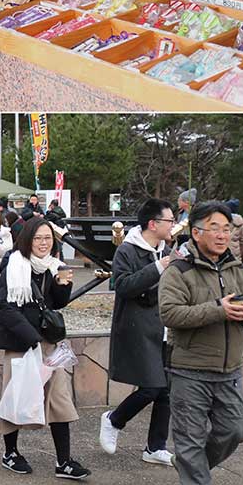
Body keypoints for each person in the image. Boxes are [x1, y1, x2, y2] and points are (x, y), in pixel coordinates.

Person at [160, 201, 243, 485]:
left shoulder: (235, 268)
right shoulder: (179, 269)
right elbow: (169, 313)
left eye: (226, 228)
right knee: (189, 436)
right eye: (214, 228)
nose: (222, 235)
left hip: (229, 370)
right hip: (189, 369)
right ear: (196, 232)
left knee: (233, 432)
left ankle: (192, 466)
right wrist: (218, 309)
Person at [0, 219, 88, 480]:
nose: (43, 243)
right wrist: (32, 338)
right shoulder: (13, 265)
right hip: (21, 344)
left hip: (47, 345)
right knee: (16, 397)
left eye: (48, 238)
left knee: (59, 399)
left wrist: (63, 284)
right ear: (27, 240)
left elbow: (58, 304)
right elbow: (6, 310)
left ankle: (64, 461)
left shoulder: (53, 266)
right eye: (38, 238)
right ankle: (10, 453)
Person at [99, 198, 177, 467]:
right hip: (139, 327)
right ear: (153, 224)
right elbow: (122, 285)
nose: (173, 225)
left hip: (166, 327)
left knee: (166, 389)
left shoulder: (168, 248)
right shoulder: (128, 250)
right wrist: (158, 267)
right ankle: (114, 419)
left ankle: (155, 447)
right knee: (152, 387)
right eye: (169, 220)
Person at [223, 198, 243, 263]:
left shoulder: (225, 220)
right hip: (236, 246)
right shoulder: (240, 221)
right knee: (236, 263)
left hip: (225, 246)